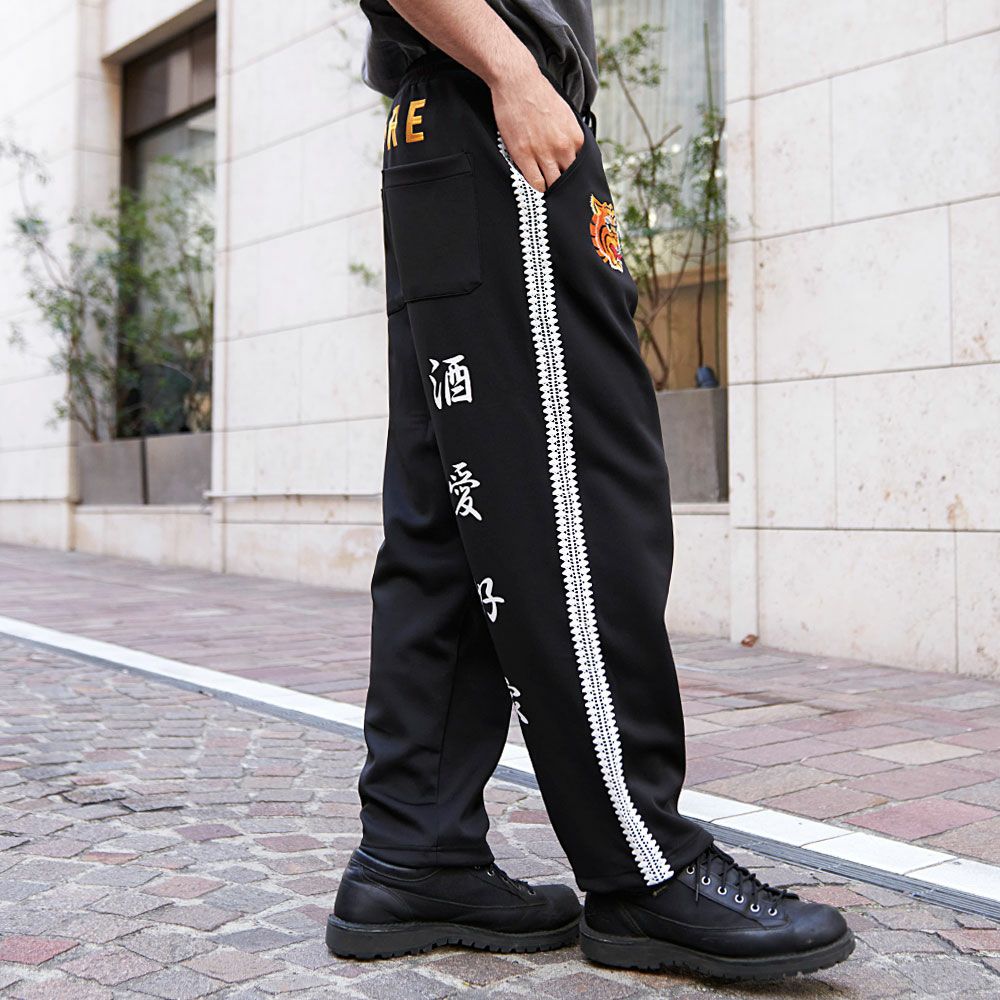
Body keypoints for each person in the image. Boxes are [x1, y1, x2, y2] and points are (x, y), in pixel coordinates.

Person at [328, 0, 855, 981]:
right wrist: (513, 72)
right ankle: (643, 869)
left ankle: (416, 850)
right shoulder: (502, 83)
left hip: (448, 121)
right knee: (577, 491)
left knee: (454, 513)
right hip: (495, 114)